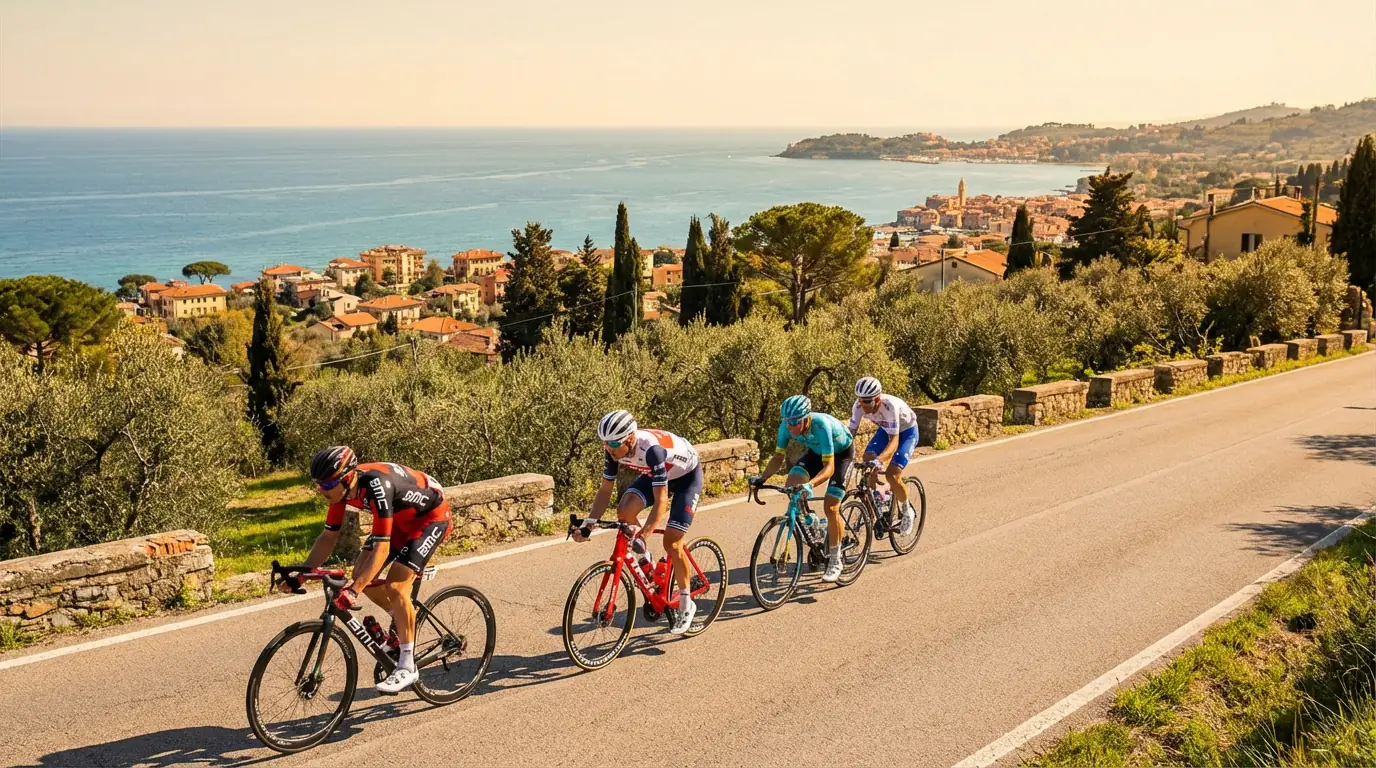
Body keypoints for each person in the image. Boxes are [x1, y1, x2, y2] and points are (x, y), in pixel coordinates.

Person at [290, 446, 452, 694]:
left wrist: (354, 591)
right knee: (360, 576)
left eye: (326, 484)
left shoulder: (377, 485)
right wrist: (301, 572)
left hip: (430, 518)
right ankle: (400, 621)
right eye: (318, 484)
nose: (320, 490)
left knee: (396, 586)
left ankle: (408, 666)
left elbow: (382, 550)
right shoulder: (341, 492)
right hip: (400, 518)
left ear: (346, 478)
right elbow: (328, 537)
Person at [573, 410, 703, 635]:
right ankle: (646, 560)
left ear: (630, 438)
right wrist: (588, 525)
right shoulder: (613, 451)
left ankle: (686, 603)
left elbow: (661, 500)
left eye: (613, 443)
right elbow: (605, 491)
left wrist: (644, 535)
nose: (609, 448)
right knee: (624, 511)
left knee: (672, 542)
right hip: (657, 476)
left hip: (686, 478)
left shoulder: (652, 450)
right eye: (604, 443)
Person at [750, 395, 855, 583]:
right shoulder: (787, 427)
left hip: (840, 456)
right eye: (787, 422)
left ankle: (835, 559)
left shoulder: (821, 426)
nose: (790, 427)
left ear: (806, 418)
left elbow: (829, 467)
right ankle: (812, 522)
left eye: (794, 422)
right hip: (816, 453)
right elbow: (777, 458)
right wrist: (762, 478)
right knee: (791, 486)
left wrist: (810, 484)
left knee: (831, 507)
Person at [848, 377, 919, 536]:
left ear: (878, 399)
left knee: (892, 474)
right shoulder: (858, 406)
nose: (863, 405)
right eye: (860, 400)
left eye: (867, 401)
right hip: (886, 430)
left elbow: (894, 442)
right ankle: (880, 501)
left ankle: (907, 511)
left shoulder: (889, 406)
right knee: (867, 459)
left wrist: (879, 460)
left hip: (907, 432)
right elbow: (849, 436)